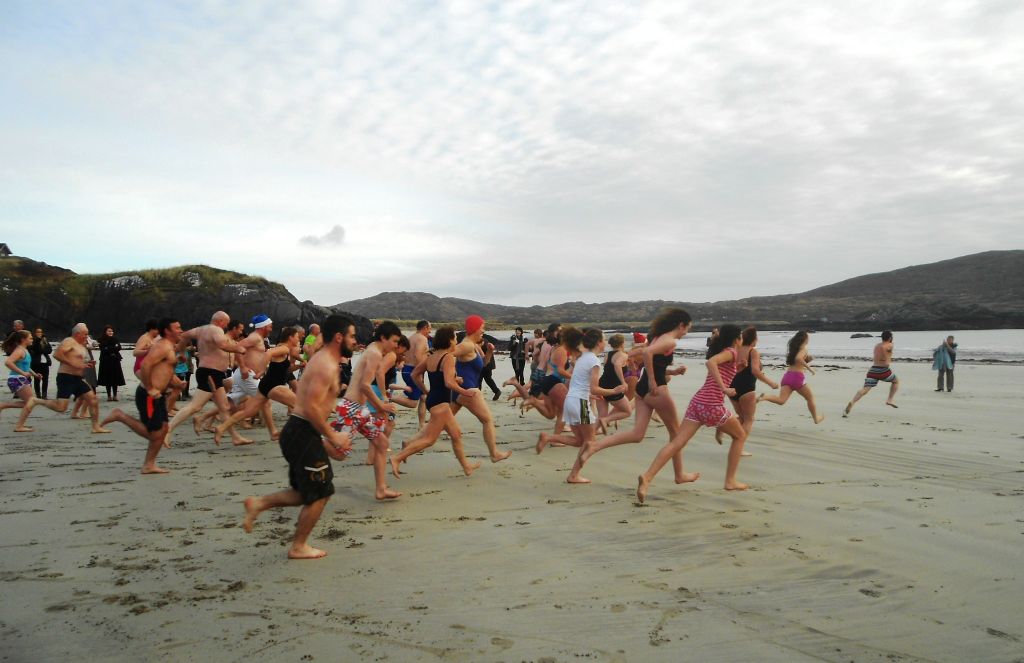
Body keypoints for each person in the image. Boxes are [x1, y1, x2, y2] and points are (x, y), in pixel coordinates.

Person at [242, 314, 355, 560]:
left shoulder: (326, 360)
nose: (355, 341)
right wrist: (332, 436)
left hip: (302, 431)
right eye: (352, 336)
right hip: (303, 431)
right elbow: (312, 408)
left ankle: (259, 504)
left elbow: (315, 404)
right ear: (339, 337)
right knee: (322, 491)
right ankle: (298, 546)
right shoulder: (325, 364)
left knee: (306, 492)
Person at [574, 309, 692, 480]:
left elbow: (640, 353)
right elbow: (647, 353)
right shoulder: (670, 341)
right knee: (677, 434)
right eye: (687, 329)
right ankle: (678, 474)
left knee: (637, 434)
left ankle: (594, 447)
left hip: (642, 389)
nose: (686, 333)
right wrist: (652, 379)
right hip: (656, 388)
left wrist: (672, 371)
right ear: (681, 325)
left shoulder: (657, 337)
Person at [636, 324, 749, 501]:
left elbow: (719, 368)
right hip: (712, 405)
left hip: (697, 404)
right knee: (740, 436)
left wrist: (739, 368)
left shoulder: (729, 355)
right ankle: (730, 481)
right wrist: (724, 388)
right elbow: (710, 363)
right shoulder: (731, 352)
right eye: (741, 336)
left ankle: (647, 477)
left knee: (676, 443)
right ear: (736, 339)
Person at [389, 326, 482, 477]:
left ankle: (467, 467)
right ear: (449, 340)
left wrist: (426, 391)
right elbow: (448, 383)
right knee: (430, 439)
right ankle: (397, 458)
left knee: (456, 434)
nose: (456, 340)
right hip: (441, 403)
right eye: (455, 338)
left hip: (433, 399)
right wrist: (465, 391)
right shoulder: (448, 358)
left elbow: (414, 375)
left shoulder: (431, 357)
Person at [538, 329, 627, 484]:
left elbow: (578, 383)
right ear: (599, 342)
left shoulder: (583, 358)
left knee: (580, 440)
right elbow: (594, 387)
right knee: (590, 442)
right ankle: (573, 475)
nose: (605, 342)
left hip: (571, 401)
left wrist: (589, 395)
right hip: (579, 403)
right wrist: (614, 390)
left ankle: (549, 437)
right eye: (604, 339)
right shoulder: (593, 361)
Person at [100, 318, 185, 474]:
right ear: (167, 330)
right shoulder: (163, 346)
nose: (181, 330)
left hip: (157, 395)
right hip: (148, 395)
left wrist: (175, 384)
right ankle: (120, 416)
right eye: (178, 328)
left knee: (163, 429)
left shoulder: (169, 347)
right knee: (155, 434)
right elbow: (145, 365)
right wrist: (151, 388)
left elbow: (162, 370)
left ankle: (149, 465)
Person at [332, 321, 402, 500]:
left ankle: (381, 489)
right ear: (383, 338)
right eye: (394, 341)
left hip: (360, 410)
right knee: (338, 453)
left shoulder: (373, 348)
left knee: (382, 443)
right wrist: (381, 406)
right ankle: (306, 448)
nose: (396, 345)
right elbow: (364, 385)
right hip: (351, 408)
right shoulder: (375, 353)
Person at [166, 312, 249, 446]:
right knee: (195, 406)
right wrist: (239, 348)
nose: (227, 325)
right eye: (226, 322)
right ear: (220, 320)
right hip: (211, 373)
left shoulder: (201, 329)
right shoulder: (216, 330)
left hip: (212, 373)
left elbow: (184, 335)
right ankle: (168, 430)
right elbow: (222, 344)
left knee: (224, 407)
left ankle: (235, 437)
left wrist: (181, 352)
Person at [215, 326, 304, 444]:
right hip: (274, 385)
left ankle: (221, 428)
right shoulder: (284, 349)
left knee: (248, 412)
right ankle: (304, 435)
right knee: (301, 407)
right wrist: (262, 370)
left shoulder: (283, 349)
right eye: (297, 337)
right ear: (290, 337)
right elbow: (269, 353)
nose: (299, 339)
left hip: (265, 384)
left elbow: (286, 370)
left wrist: (299, 366)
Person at [15, 323, 111, 434]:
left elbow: (79, 361)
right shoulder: (69, 341)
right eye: (85, 334)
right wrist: (73, 364)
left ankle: (96, 427)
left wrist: (88, 364)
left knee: (93, 400)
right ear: (77, 333)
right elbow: (57, 354)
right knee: (61, 408)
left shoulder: (81, 345)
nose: (87, 336)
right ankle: (37, 400)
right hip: (66, 377)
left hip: (78, 379)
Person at [449, 315, 512, 463]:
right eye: (482, 327)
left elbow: (484, 364)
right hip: (468, 389)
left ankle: (409, 446)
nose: (484, 330)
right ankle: (494, 454)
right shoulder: (466, 345)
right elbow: (447, 355)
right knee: (487, 420)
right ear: (475, 329)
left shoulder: (475, 345)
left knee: (437, 425)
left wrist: (490, 351)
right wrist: (452, 375)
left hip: (461, 390)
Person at [721, 327, 777, 454]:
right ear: (754, 339)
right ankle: (738, 449)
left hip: (732, 385)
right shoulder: (753, 351)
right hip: (747, 387)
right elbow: (755, 371)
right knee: (749, 419)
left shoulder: (734, 350)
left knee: (741, 417)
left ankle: (723, 428)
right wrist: (771, 383)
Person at [223, 314, 274, 439]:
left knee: (229, 403)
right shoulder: (255, 337)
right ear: (264, 326)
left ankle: (203, 418)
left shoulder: (259, 338)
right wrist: (243, 367)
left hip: (245, 375)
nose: (271, 329)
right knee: (264, 399)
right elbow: (238, 347)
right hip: (246, 375)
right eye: (270, 326)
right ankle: (273, 431)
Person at [757, 330, 824, 424]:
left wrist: (808, 359)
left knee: (781, 400)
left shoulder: (794, 350)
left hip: (787, 377)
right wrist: (810, 368)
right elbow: (798, 359)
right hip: (797, 378)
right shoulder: (803, 349)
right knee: (810, 398)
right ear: (805, 339)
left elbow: (797, 361)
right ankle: (816, 418)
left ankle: (764, 397)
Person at [844, 330, 899, 416]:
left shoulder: (876, 346)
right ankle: (889, 400)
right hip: (884, 370)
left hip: (873, 370)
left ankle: (852, 401)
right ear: (890, 338)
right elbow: (889, 352)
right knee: (895, 381)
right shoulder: (890, 345)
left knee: (865, 389)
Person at [595, 333, 633, 432]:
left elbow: (609, 368)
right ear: (622, 343)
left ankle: (590, 435)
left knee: (601, 414)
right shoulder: (623, 355)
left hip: (601, 385)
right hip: (613, 387)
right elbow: (616, 365)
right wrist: (623, 382)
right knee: (627, 411)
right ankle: (607, 420)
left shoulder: (608, 354)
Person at [2, 331, 41, 426]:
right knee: (31, 402)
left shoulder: (25, 350)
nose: (32, 340)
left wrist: (35, 375)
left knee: (30, 402)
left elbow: (26, 366)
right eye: (30, 338)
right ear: (23, 340)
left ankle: (4, 405)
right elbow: (8, 362)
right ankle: (19, 426)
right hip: (16, 379)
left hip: (20, 379)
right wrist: (23, 373)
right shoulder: (19, 350)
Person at [402, 320, 431, 430]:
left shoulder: (412, 337)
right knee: (413, 403)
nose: (430, 331)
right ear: (425, 328)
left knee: (423, 397)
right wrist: (421, 370)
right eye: (429, 328)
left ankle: (421, 425)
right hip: (414, 371)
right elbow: (417, 355)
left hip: (407, 369)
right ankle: (389, 398)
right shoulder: (422, 338)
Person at [97, 325, 126, 402]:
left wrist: (109, 348)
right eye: (109, 331)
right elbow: (103, 349)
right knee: (107, 378)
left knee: (115, 378)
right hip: (105, 361)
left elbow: (119, 347)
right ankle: (109, 396)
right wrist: (113, 348)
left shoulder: (115, 339)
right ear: (105, 332)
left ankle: (115, 396)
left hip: (115, 360)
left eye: (111, 331)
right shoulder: (101, 339)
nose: (111, 332)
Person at [29, 327, 52, 399]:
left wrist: (42, 350)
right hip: (36, 363)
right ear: (35, 333)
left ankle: (44, 395)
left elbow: (49, 350)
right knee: (37, 379)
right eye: (38, 332)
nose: (39, 333)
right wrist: (38, 341)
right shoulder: (33, 341)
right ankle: (38, 395)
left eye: (40, 332)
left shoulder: (45, 340)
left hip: (45, 363)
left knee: (45, 379)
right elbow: (35, 349)